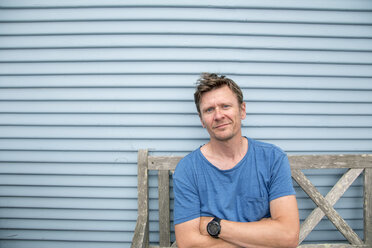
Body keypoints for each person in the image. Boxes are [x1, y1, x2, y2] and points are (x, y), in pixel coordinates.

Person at [173, 73, 300, 248]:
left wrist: (213, 226)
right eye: (209, 110)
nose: (218, 116)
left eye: (225, 106)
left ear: (242, 110)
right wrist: (262, 233)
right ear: (202, 120)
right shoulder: (188, 169)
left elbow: (287, 237)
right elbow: (189, 244)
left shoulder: (272, 159)